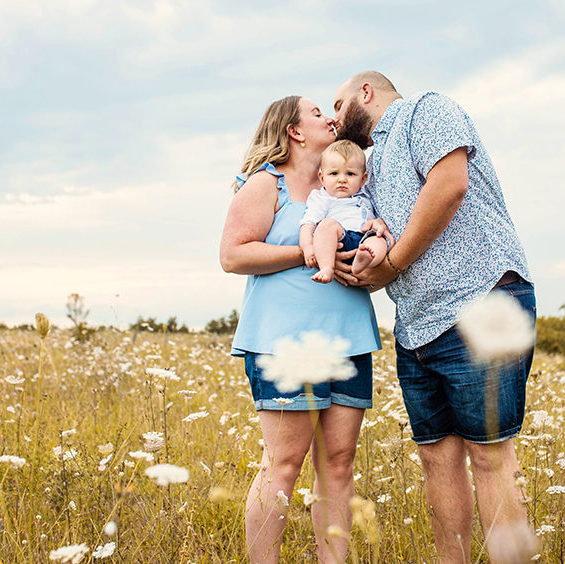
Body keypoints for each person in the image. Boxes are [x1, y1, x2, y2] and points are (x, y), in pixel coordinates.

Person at [332, 72, 539, 562]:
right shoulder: (367, 167)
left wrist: (392, 264)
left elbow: (449, 185)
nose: (335, 119)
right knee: (435, 457)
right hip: (416, 325)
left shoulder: (424, 109)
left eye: (338, 105)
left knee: (489, 456)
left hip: (478, 301)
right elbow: (382, 243)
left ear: (366, 93)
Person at [219, 96, 383, 563]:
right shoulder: (266, 183)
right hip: (285, 343)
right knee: (284, 465)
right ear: (293, 131)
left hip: (349, 340)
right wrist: (307, 252)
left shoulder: (350, 184)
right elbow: (232, 254)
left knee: (339, 464)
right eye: (316, 113)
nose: (329, 118)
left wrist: (364, 260)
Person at [300, 139, 390, 283]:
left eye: (350, 174)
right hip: (340, 239)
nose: (342, 179)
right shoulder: (322, 197)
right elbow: (307, 223)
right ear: (322, 178)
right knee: (326, 225)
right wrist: (307, 247)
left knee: (379, 239)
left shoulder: (366, 195)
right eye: (334, 173)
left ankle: (364, 261)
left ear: (363, 179)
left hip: (364, 239)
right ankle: (327, 267)